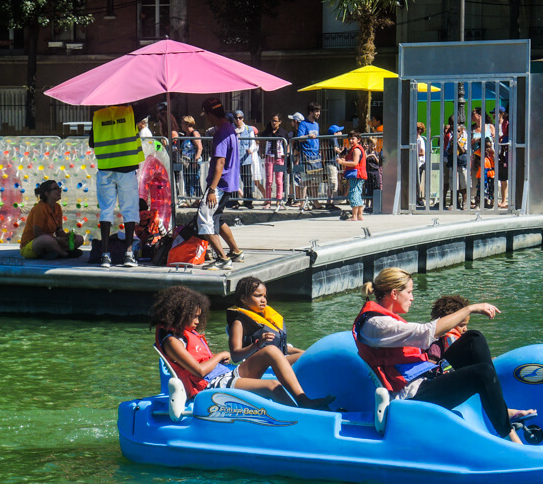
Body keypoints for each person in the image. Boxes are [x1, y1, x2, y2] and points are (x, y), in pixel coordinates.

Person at [353, 267, 535, 443]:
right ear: (394, 294)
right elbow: (425, 332)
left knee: (473, 338)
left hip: (426, 378)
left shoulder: (385, 319)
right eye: (409, 292)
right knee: (483, 373)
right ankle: (509, 435)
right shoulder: (376, 325)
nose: (412, 298)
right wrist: (469, 309)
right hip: (413, 396)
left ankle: (502, 410)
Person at [150, 286, 332, 408]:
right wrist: (220, 355)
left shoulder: (184, 334)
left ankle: (303, 400)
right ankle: (300, 417)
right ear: (179, 315)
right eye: (194, 317)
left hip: (222, 376)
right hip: (210, 386)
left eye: (199, 316)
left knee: (270, 350)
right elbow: (198, 371)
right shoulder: (172, 341)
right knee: (272, 386)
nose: (198, 321)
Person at [90, 104, 145, 268]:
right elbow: (147, 105)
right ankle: (128, 254)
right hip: (126, 169)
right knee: (129, 210)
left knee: (106, 209)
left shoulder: (98, 115)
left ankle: (105, 256)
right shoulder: (131, 112)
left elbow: (92, 142)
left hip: (105, 169)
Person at [197, 97, 244, 270]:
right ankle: (236, 252)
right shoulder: (230, 129)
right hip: (229, 183)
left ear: (210, 114)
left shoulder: (221, 133)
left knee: (204, 218)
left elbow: (220, 162)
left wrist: (211, 189)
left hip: (220, 184)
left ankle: (223, 258)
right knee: (217, 217)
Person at [227, 276, 304, 366]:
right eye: (258, 296)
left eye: (264, 296)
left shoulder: (265, 318)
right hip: (261, 365)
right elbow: (235, 356)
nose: (263, 300)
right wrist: (258, 344)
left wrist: (304, 352)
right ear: (243, 298)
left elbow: (280, 347)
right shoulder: (239, 323)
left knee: (308, 354)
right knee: (311, 357)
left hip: (278, 359)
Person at [19, 179, 84, 260]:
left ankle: (52, 252)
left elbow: (59, 230)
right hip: (32, 245)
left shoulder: (58, 207)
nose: (59, 190)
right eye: (56, 188)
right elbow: (37, 233)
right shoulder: (40, 208)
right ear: (47, 194)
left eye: (59, 188)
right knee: (47, 240)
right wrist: (59, 240)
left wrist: (67, 237)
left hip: (52, 241)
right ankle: (64, 254)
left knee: (79, 239)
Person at [427, 294, 470, 364]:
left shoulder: (461, 340)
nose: (465, 329)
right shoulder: (436, 344)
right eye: (462, 325)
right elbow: (430, 363)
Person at [297, 102, 323, 209]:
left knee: (315, 181)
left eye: (319, 111)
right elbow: (299, 138)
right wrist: (308, 136)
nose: (318, 114)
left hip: (316, 156)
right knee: (305, 180)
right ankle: (302, 203)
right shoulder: (303, 124)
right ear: (311, 112)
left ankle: (315, 201)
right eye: (316, 111)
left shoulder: (316, 124)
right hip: (306, 155)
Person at [336, 130, 367, 221]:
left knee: (354, 194)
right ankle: (360, 215)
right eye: (349, 139)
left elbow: (354, 163)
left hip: (356, 174)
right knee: (358, 194)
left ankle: (354, 216)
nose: (351, 141)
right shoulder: (355, 149)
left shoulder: (356, 150)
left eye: (353, 139)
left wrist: (342, 162)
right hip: (359, 174)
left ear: (358, 140)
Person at [259, 113, 287, 208]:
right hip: (269, 157)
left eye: (275, 121)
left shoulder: (282, 132)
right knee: (269, 181)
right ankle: (268, 201)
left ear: (280, 122)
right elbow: (259, 139)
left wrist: (286, 153)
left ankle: (279, 201)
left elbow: (288, 142)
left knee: (279, 180)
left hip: (279, 158)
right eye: (272, 120)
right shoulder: (267, 132)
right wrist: (261, 151)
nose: (273, 123)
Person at [233, 110, 256, 208]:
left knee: (247, 181)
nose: (238, 120)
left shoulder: (248, 129)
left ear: (243, 118)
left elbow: (253, 142)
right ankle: (234, 202)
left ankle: (248, 201)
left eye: (240, 118)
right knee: (234, 181)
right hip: (234, 160)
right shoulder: (231, 129)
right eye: (236, 118)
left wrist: (251, 149)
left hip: (245, 159)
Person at [179, 115, 203, 204]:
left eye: (182, 123)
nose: (181, 125)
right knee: (187, 180)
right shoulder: (185, 135)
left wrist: (195, 160)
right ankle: (188, 199)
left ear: (187, 124)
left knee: (195, 180)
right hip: (186, 162)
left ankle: (198, 199)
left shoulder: (194, 133)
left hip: (194, 162)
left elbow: (200, 148)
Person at [324, 124, 344, 210]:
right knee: (333, 184)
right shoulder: (334, 139)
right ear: (335, 133)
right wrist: (342, 152)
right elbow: (336, 149)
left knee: (332, 184)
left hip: (333, 164)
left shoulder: (333, 139)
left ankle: (330, 201)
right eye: (339, 131)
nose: (341, 132)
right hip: (331, 164)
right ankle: (329, 202)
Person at [364, 136, 381, 212]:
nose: (373, 147)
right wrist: (367, 152)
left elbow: (379, 162)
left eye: (374, 145)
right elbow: (364, 159)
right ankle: (367, 205)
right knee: (368, 188)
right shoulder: (366, 152)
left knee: (375, 188)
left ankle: (373, 205)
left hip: (375, 172)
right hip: (368, 172)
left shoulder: (376, 153)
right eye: (371, 144)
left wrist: (373, 155)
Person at [416, 122, 427, 207]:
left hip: (419, 163)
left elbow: (422, 152)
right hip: (415, 162)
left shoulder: (420, 140)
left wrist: (415, 154)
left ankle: (420, 198)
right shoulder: (415, 139)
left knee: (418, 181)